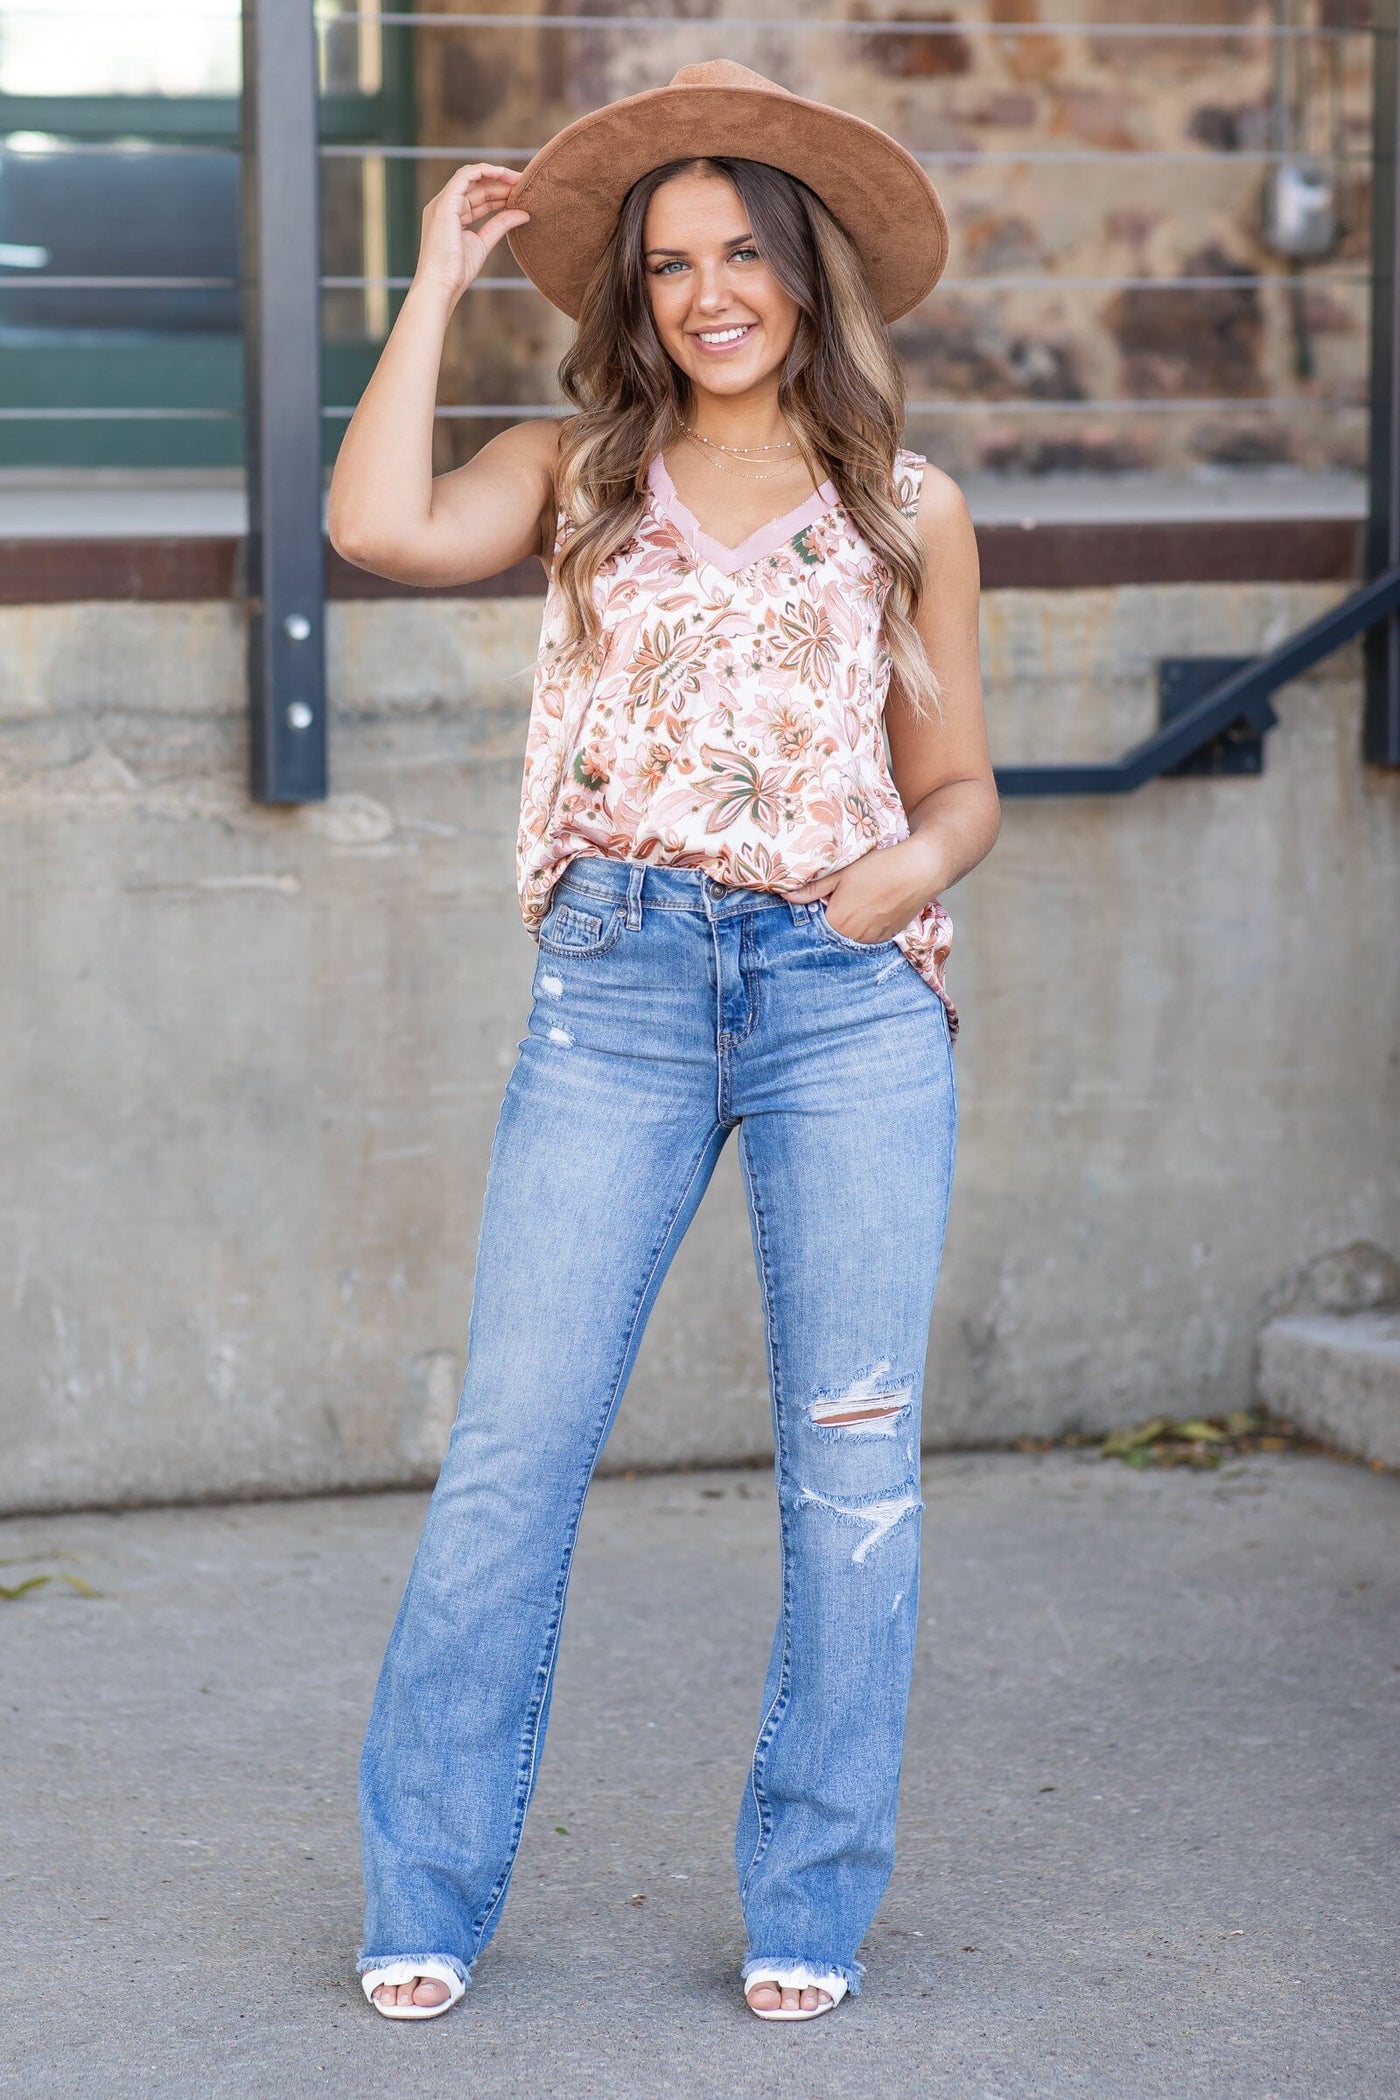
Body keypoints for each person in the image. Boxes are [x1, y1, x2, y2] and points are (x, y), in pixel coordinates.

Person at [328, 59, 999, 2025]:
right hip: (616, 993)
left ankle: (811, 1899)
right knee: (509, 1465)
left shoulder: (909, 507)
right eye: (669, 262)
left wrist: (902, 873)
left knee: (850, 1481)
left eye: (741, 254)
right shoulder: (572, 468)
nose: (707, 290)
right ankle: (428, 1889)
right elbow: (375, 529)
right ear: (633, 294)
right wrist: (442, 275)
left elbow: (960, 782)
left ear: (802, 273)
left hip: (846, 1003)